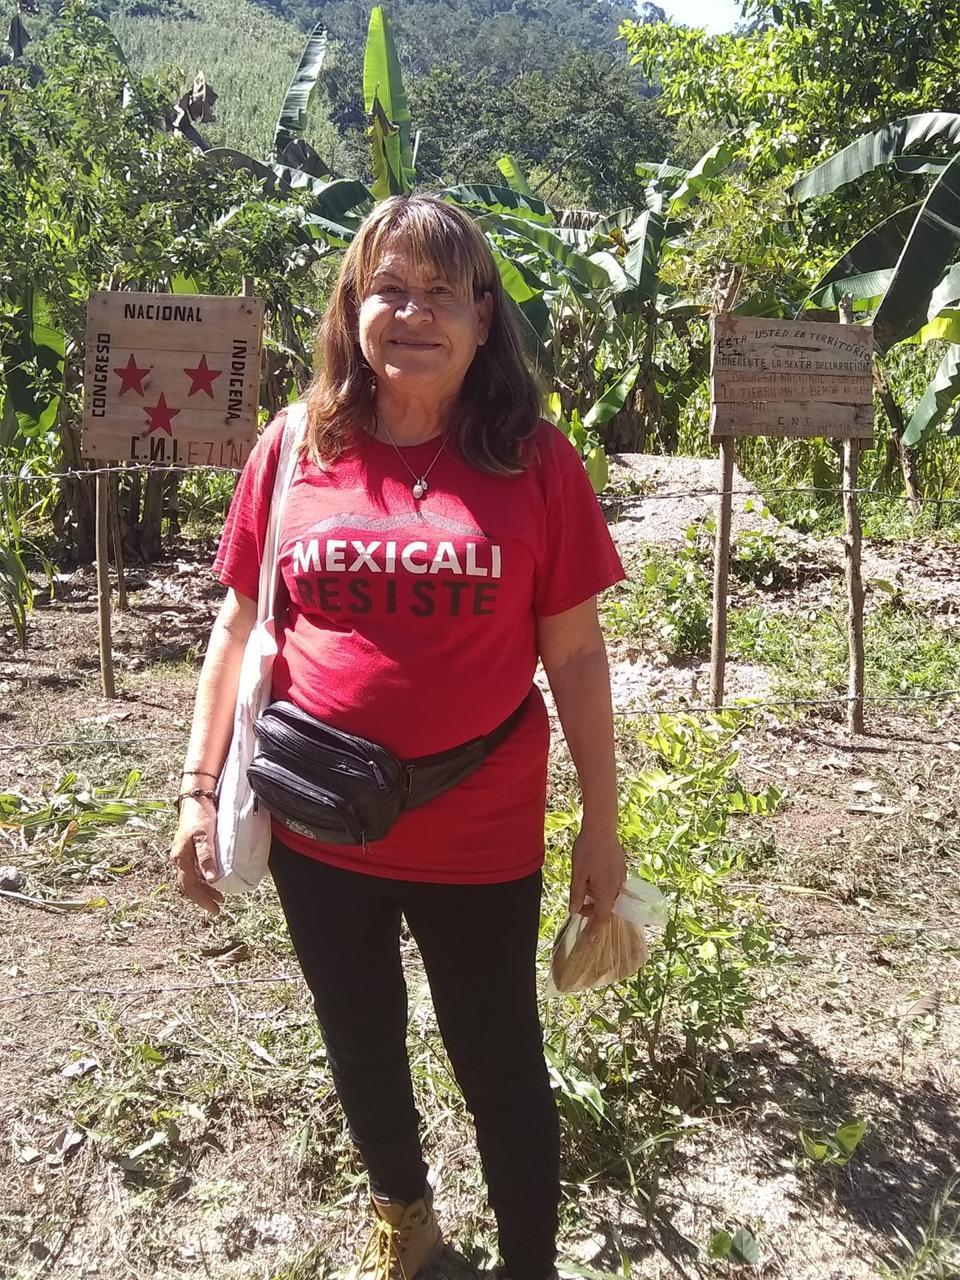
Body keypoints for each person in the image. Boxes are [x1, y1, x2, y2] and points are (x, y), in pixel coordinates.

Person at [170, 194, 626, 1280]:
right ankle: (407, 1223)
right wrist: (195, 787)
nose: (410, 312)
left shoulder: (536, 463)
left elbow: (575, 657)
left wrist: (601, 827)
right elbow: (236, 626)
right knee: (362, 1039)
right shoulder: (294, 449)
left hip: (479, 830)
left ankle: (528, 1263)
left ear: (480, 317)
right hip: (320, 829)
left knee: (501, 1062)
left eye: (438, 292)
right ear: (351, 309)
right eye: (387, 288)